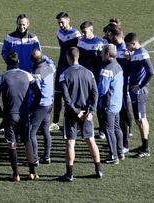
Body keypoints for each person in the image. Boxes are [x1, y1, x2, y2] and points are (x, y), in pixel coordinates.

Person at [0, 52, 41, 181]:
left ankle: (16, 174)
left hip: (10, 116)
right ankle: (32, 172)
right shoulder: (27, 75)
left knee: (11, 144)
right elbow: (38, 93)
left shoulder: (2, 76)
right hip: (24, 115)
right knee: (27, 141)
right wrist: (32, 109)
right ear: (18, 61)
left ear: (7, 63)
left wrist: (0, 112)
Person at [58, 47, 102, 181]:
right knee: (91, 141)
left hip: (72, 114)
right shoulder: (89, 73)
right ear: (78, 56)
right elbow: (95, 93)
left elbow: (66, 99)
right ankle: (98, 170)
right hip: (87, 114)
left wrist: (77, 112)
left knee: (71, 143)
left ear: (68, 57)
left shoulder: (64, 75)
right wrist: (92, 111)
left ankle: (69, 174)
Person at [125, 33, 154, 158]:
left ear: (134, 43)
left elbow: (151, 72)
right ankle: (144, 145)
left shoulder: (142, 53)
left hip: (139, 93)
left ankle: (146, 148)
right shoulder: (136, 53)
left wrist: (141, 86)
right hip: (135, 92)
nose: (127, 48)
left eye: (128, 46)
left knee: (141, 119)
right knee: (141, 119)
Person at [50, 12, 81, 131]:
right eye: (59, 23)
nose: (61, 25)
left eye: (62, 22)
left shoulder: (76, 35)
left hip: (71, 69)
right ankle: (55, 122)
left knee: (72, 97)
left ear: (69, 20)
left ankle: (76, 123)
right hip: (61, 67)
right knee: (57, 95)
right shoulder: (59, 33)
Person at [77, 21, 108, 140]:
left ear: (91, 29)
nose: (84, 34)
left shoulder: (101, 42)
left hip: (96, 77)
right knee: (84, 103)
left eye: (85, 31)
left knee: (99, 105)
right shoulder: (81, 41)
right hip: (84, 77)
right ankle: (83, 128)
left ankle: (102, 129)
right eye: (82, 32)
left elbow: (104, 60)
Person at [106, 27, 133, 153]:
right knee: (119, 117)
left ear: (116, 36)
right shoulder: (118, 49)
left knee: (122, 115)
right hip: (117, 88)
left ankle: (124, 144)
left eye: (111, 36)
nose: (109, 38)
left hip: (122, 87)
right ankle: (119, 142)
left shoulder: (124, 51)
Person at [98, 44, 124, 164]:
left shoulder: (107, 70)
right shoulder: (118, 66)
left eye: (103, 53)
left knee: (109, 130)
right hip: (117, 103)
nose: (101, 55)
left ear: (108, 54)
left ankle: (113, 156)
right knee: (117, 128)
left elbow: (102, 89)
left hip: (109, 104)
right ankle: (120, 151)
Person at [29, 49, 55, 165]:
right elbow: (52, 62)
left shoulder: (37, 72)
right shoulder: (50, 67)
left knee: (31, 132)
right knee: (45, 130)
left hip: (41, 105)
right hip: (49, 103)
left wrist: (31, 106)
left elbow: (36, 91)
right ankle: (47, 156)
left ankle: (34, 158)